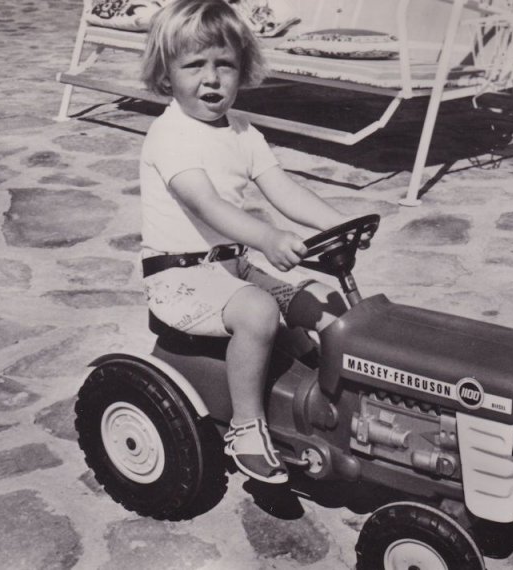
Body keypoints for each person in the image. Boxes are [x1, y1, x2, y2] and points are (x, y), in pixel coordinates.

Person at [140, 0, 352, 484]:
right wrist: (268, 236)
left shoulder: (241, 130)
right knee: (258, 310)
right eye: (194, 65)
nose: (211, 79)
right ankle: (246, 428)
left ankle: (330, 404)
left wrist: (341, 223)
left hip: (232, 268)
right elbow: (208, 205)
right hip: (180, 278)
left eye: (225, 65)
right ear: (166, 74)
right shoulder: (170, 135)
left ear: (243, 70)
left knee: (322, 303)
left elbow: (282, 189)